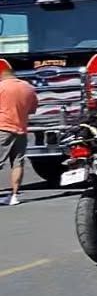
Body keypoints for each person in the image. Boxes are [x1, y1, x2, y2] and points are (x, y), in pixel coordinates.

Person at [0, 68, 39, 207]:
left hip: (2, 128)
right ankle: (15, 196)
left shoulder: (1, 87)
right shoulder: (28, 88)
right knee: (18, 163)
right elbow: (33, 109)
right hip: (21, 129)